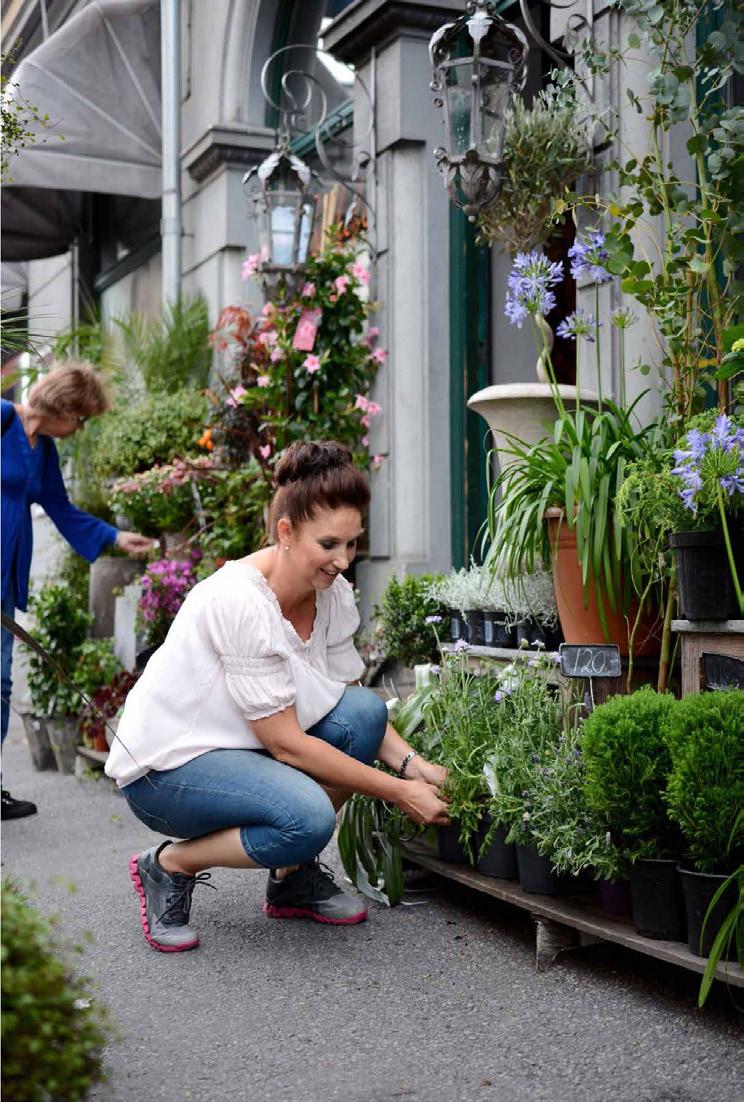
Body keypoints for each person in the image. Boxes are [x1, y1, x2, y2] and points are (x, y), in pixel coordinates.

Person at [106, 440, 450, 952]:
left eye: (352, 544)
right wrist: (401, 793)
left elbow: (348, 698)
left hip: (240, 750)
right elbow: (287, 744)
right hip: (167, 773)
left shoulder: (329, 592)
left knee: (364, 714)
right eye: (329, 544)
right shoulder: (240, 601)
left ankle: (291, 877)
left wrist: (412, 764)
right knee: (307, 818)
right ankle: (168, 865)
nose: (343, 561)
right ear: (285, 532)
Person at [1, 362, 152, 820]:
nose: (80, 428)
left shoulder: (42, 449)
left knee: (1, 682)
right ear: (65, 408)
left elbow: (61, 510)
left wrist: (114, 537)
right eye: (81, 418)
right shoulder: (3, 417)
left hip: (6, 573)